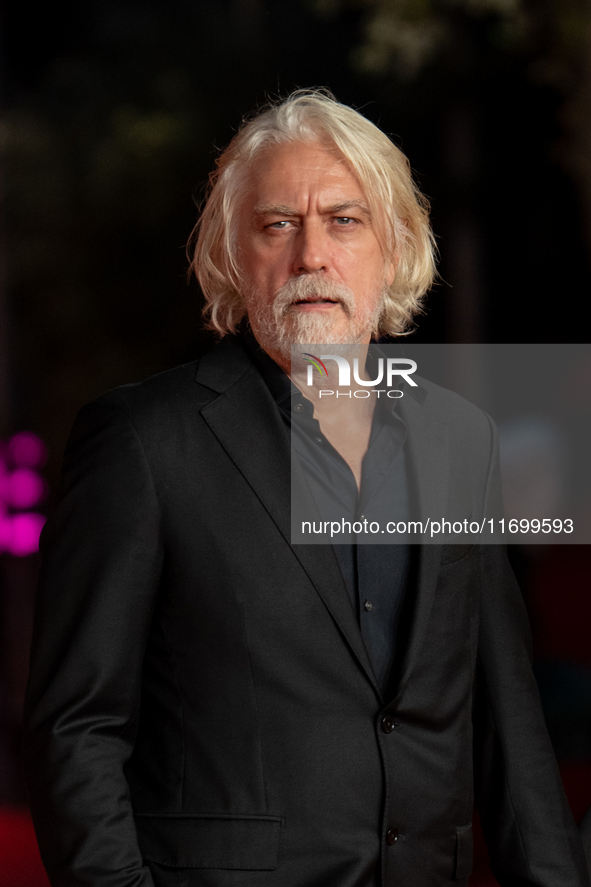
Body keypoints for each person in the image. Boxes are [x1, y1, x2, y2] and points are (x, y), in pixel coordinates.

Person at [22, 90, 589, 887]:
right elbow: (75, 727)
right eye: (277, 223)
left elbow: (507, 720)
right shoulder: (144, 442)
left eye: (344, 220)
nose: (310, 255)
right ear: (231, 254)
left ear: (393, 249)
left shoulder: (463, 440)